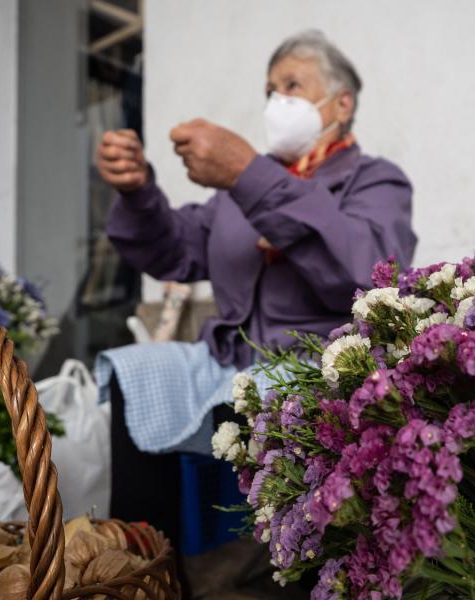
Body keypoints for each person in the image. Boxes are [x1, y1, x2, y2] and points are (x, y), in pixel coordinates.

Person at [94, 31, 417, 580]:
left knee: (265, 392)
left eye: (293, 85)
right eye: (270, 89)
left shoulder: (374, 180)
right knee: (138, 370)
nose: (277, 102)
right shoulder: (237, 193)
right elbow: (172, 249)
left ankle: (273, 575)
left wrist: (249, 174)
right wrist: (138, 192)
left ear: (342, 104)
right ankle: (142, 572)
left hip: (316, 365)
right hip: (231, 360)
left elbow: (365, 272)